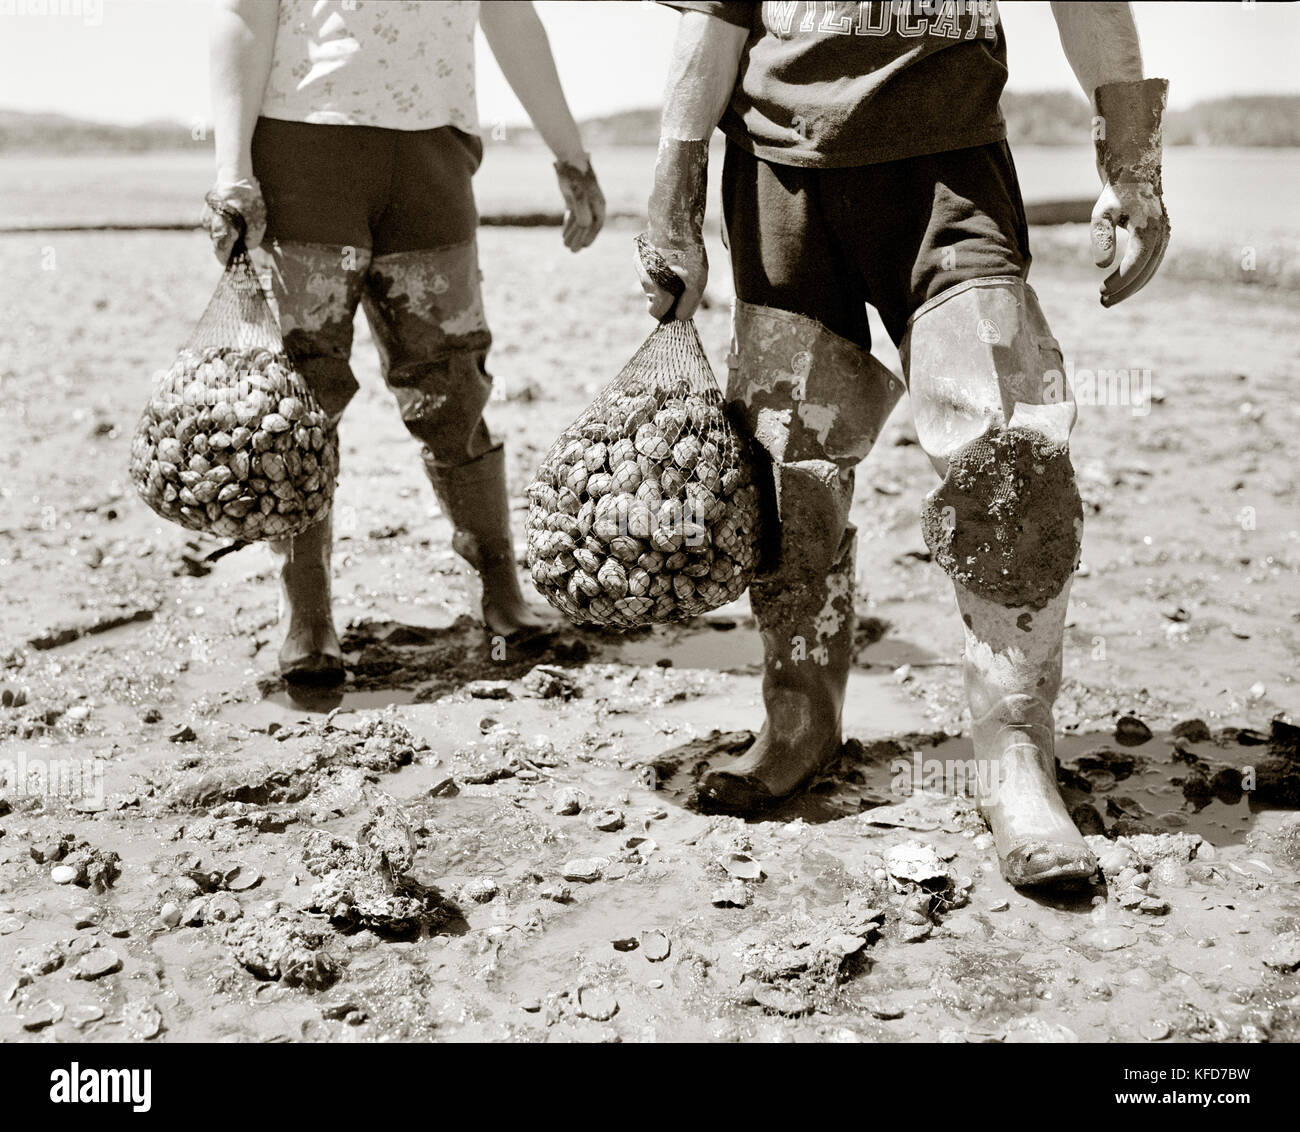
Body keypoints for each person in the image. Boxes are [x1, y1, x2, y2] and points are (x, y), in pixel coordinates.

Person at [638, 0, 1169, 887]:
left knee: (1012, 453)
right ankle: (800, 717)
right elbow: (714, 14)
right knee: (787, 466)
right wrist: (673, 185)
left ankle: (1015, 753)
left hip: (950, 168)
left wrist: (1133, 160)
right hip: (779, 175)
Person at [205, 0, 605, 682]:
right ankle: (307, 612)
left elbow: (512, 18)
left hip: (434, 155)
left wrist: (571, 154)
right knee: (301, 390)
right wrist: (230, 169)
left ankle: (498, 588)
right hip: (303, 147)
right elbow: (245, 15)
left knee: (453, 380)